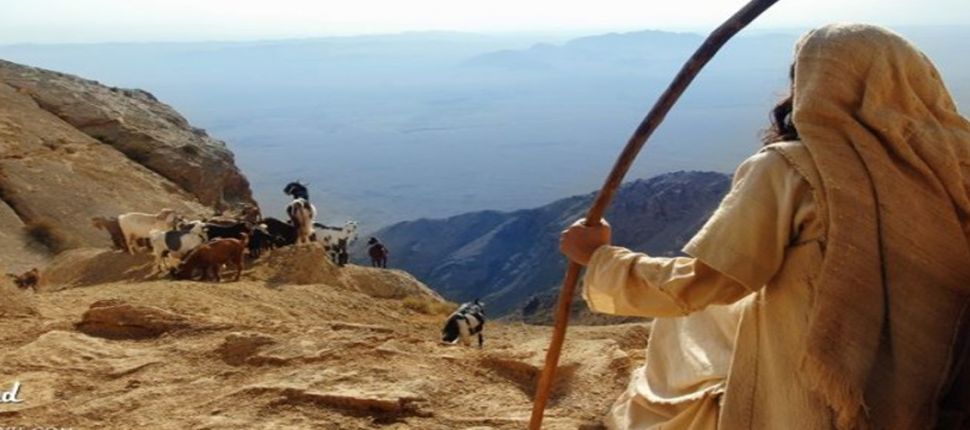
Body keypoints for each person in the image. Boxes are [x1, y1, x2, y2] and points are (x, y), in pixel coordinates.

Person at [559, 23, 970, 429]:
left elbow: (705, 285)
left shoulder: (790, 169)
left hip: (830, 391)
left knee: (685, 325)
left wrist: (600, 258)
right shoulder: (955, 163)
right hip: (937, 376)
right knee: (707, 323)